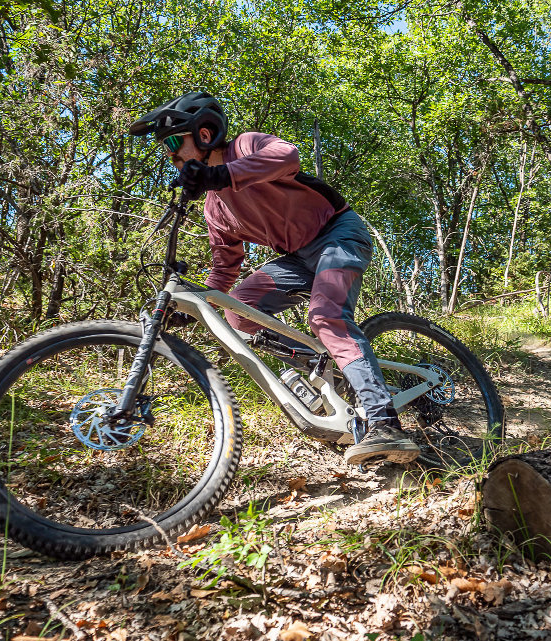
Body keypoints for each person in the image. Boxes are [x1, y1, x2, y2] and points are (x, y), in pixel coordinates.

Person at [130, 91, 419, 466]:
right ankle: (322, 363)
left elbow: (287, 156)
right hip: (297, 256)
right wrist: (193, 310)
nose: (170, 154)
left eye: (172, 141)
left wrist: (220, 175)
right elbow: (224, 267)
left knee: (326, 315)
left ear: (204, 133)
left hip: (338, 233)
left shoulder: (246, 147)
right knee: (237, 311)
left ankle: (384, 422)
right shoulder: (214, 209)